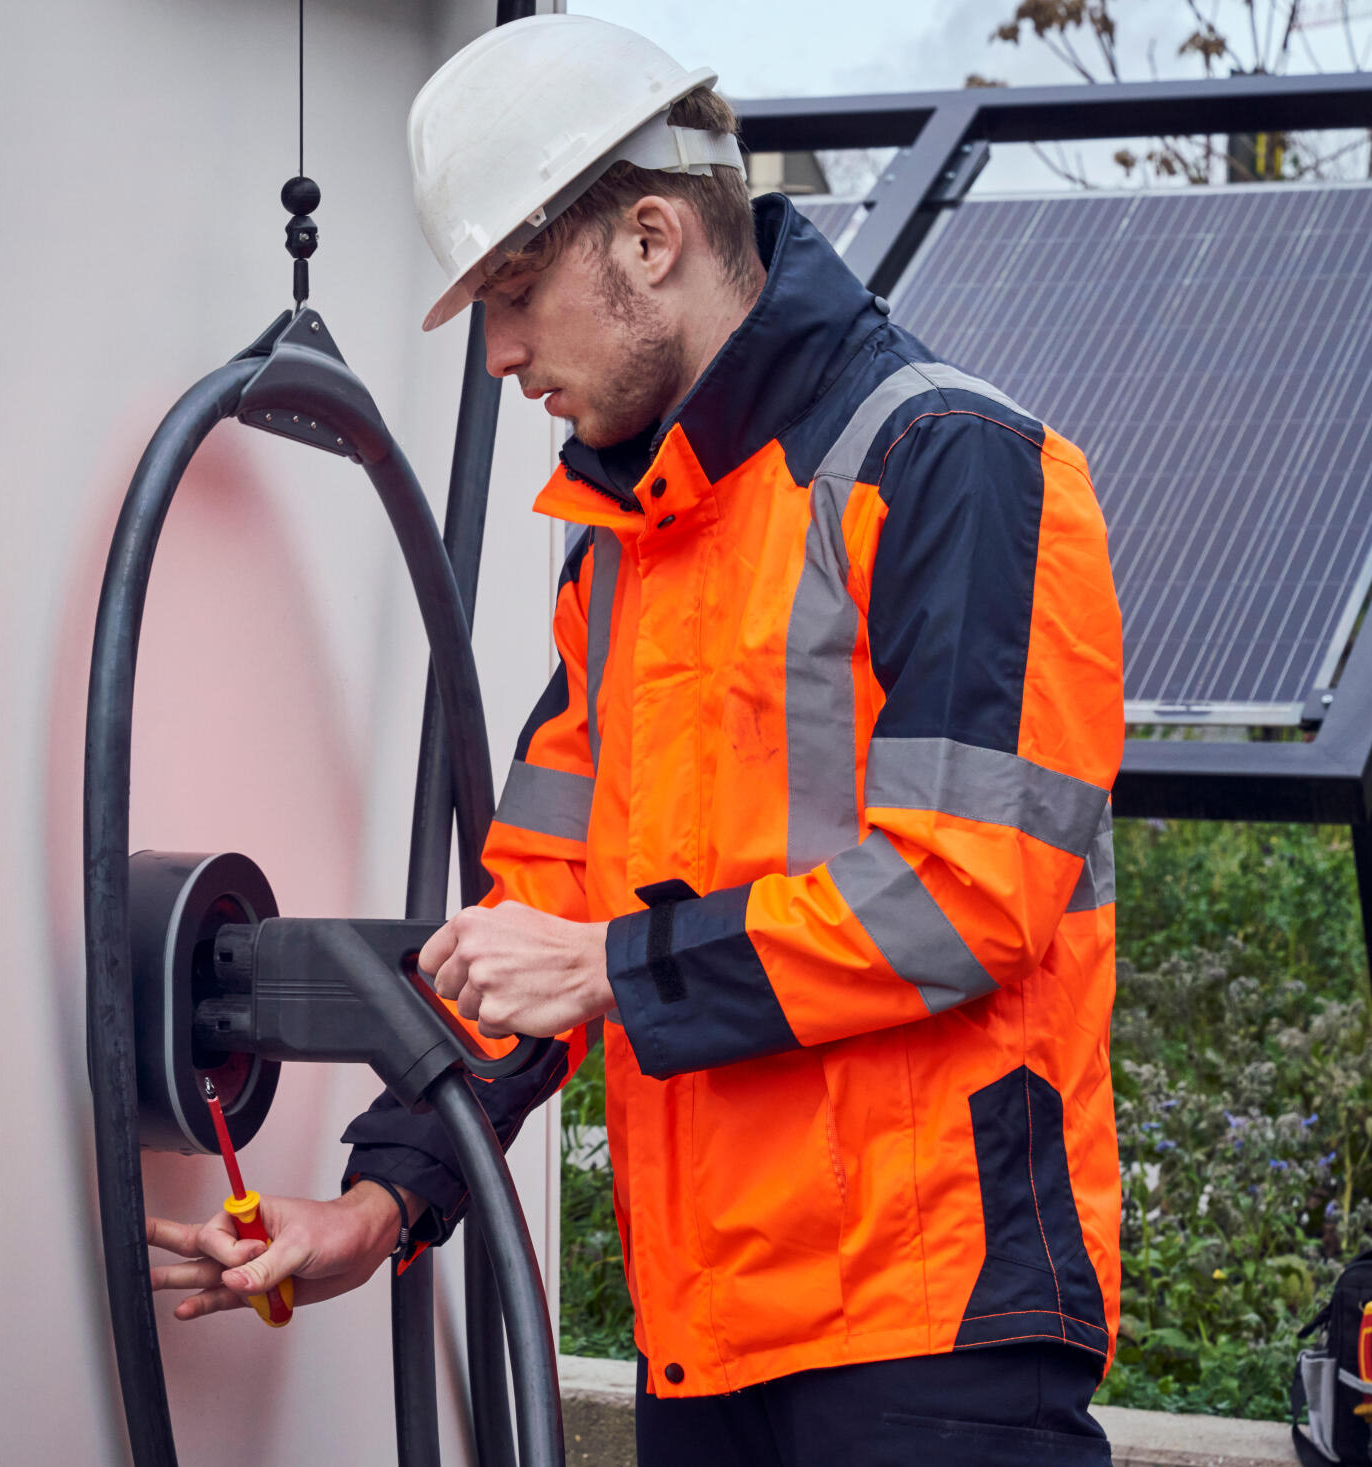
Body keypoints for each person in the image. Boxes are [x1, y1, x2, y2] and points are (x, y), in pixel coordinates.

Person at [146, 15, 1124, 1464]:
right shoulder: (628, 549)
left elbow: (969, 893)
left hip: (932, 1338)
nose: (497, 354)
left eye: (518, 290)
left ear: (653, 239)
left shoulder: (953, 471)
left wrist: (611, 968)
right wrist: (379, 1204)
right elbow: (533, 914)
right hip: (708, 1339)